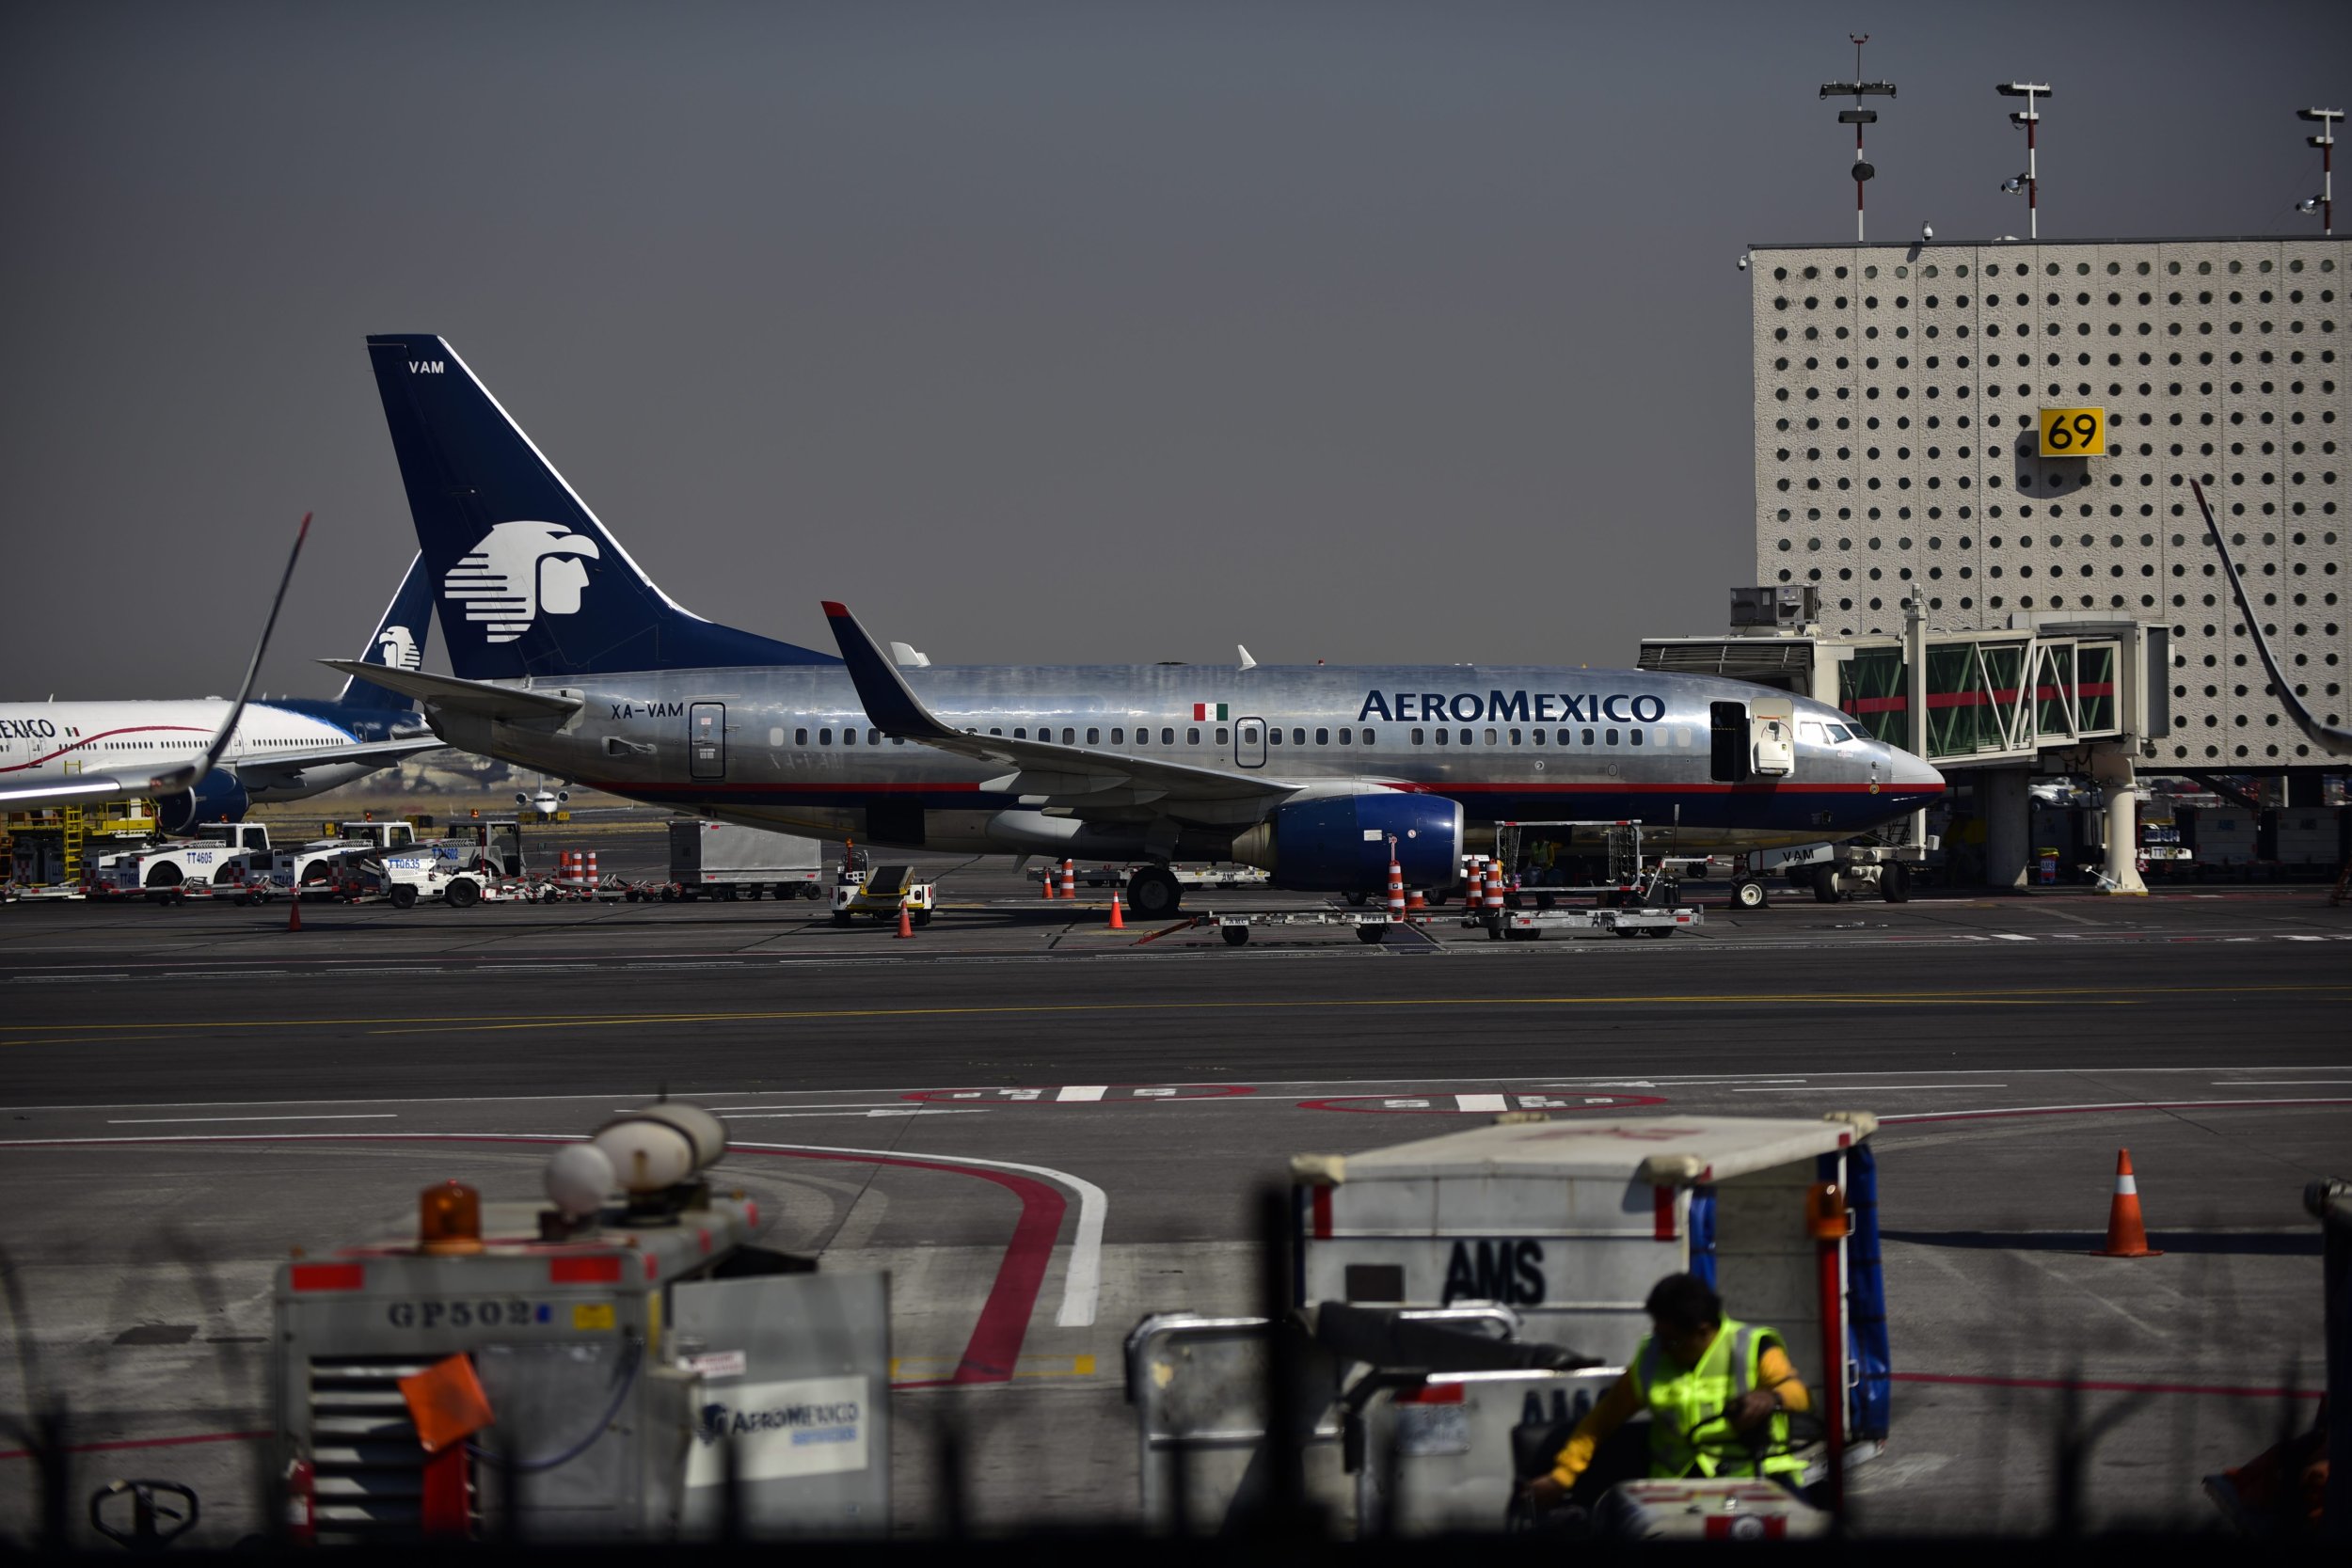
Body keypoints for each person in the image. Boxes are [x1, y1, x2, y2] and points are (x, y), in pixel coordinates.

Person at [1521, 1273, 1810, 1507]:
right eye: (1660, 1337)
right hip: (1676, 1491)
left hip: (1758, 1480)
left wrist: (1770, 1397)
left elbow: (1799, 1393)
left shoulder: (1753, 1346)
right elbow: (1600, 1422)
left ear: (1703, 1330)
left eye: (1672, 1341)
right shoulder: (1651, 1358)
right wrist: (1562, 1476)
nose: (1664, 1349)